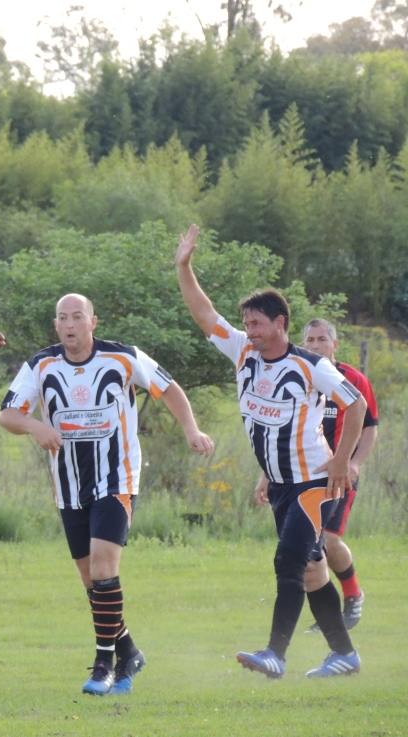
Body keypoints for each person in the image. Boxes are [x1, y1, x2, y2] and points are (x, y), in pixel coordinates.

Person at [0, 293, 214, 696]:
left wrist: (190, 428)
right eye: (62, 318)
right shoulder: (41, 365)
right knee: (92, 581)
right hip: (69, 487)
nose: (69, 324)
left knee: (102, 568)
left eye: (77, 316)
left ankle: (104, 665)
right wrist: (35, 427)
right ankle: (129, 651)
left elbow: (168, 388)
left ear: (93, 321)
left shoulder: (123, 358)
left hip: (117, 480)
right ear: (56, 324)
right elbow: (7, 414)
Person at [175, 224, 368, 679]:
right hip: (281, 485)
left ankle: (275, 655)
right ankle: (345, 654)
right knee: (312, 570)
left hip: (313, 483)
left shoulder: (309, 365)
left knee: (288, 560)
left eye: (257, 324)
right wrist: (184, 267)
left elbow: (355, 404)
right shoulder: (244, 354)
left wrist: (341, 461)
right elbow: (204, 314)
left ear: (280, 323)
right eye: (246, 325)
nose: (250, 332)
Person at [297, 318, 378, 632]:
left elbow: (370, 428)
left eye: (321, 339)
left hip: (340, 474)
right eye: (309, 340)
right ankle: (328, 617)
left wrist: (353, 463)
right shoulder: (300, 376)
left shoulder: (354, 379)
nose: (315, 346)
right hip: (304, 475)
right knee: (308, 548)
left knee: (328, 541)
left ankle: (354, 595)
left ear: (334, 344)